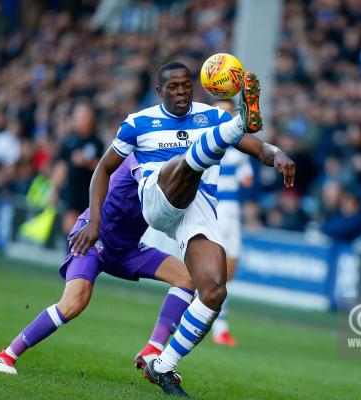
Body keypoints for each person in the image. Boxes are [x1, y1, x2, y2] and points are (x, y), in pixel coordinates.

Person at [69, 61, 295, 397]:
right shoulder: (137, 124)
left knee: (215, 291)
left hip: (197, 206)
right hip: (157, 194)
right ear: (160, 91)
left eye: (186, 86)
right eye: (173, 87)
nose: (181, 93)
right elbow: (102, 170)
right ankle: (240, 123)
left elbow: (260, 149)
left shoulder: (211, 117)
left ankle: (162, 366)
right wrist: (95, 222)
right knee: (187, 164)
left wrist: (278, 154)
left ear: (194, 86)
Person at [0, 155, 195, 374]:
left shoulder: (170, 156)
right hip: (95, 236)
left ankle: (152, 349)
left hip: (127, 247)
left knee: (186, 278)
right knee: (74, 301)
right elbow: (155, 189)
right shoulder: (142, 152)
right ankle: (6, 355)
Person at [210, 99, 253, 347]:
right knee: (215, 270)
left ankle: (216, 320)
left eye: (227, 112)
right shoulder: (206, 144)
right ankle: (218, 326)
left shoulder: (239, 149)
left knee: (229, 271)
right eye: (219, 112)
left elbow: (247, 180)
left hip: (232, 212)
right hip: (214, 210)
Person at [53, 102, 104, 234]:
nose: (80, 120)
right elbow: (61, 166)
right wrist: (54, 189)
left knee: (86, 230)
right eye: (78, 117)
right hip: (72, 193)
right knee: (70, 228)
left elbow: (103, 167)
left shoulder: (97, 142)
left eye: (83, 117)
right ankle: (70, 253)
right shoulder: (70, 141)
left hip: (89, 194)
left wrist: (87, 162)